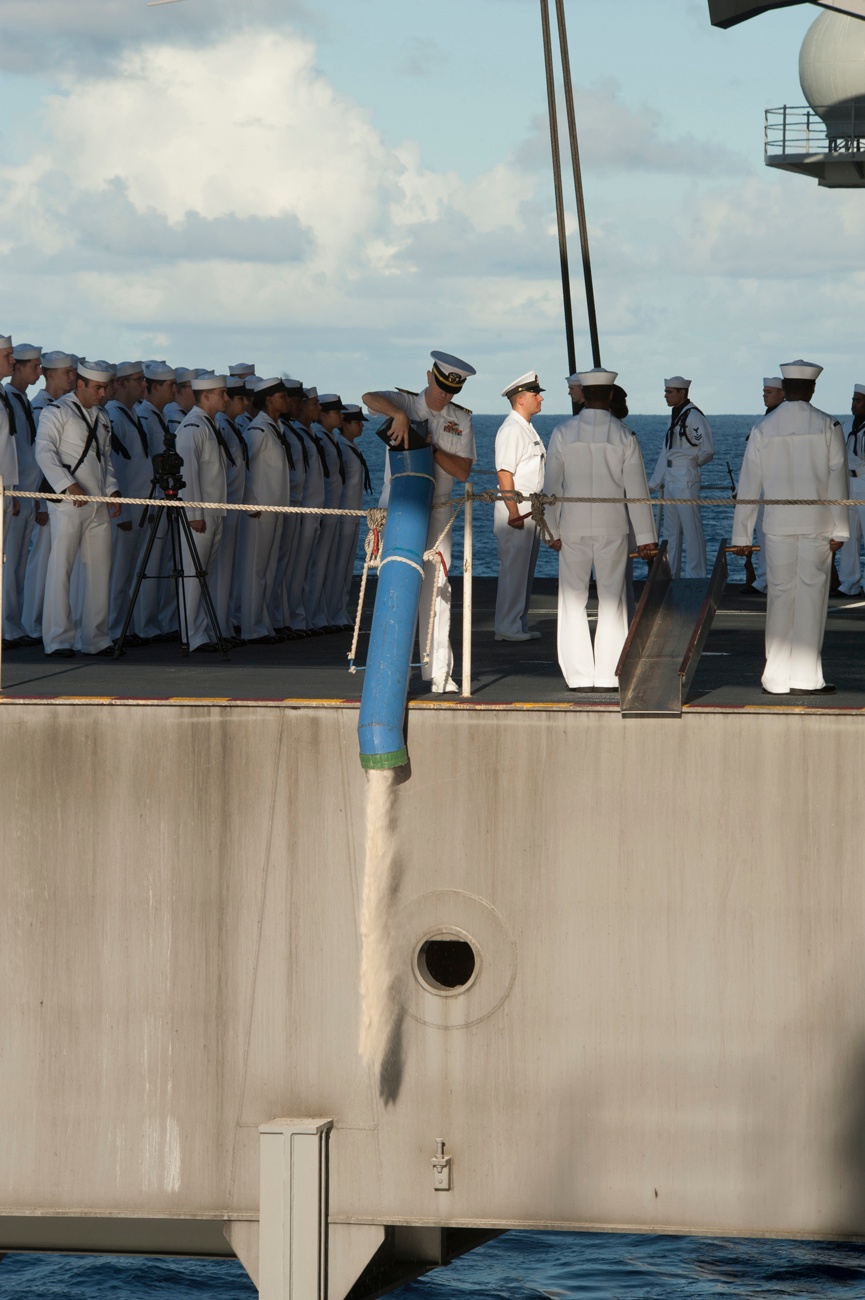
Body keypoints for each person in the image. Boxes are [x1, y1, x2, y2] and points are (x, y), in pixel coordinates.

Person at [730, 360, 848, 696]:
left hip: (778, 526)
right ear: (811, 389)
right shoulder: (829, 425)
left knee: (780, 597)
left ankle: (776, 678)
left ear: (786, 389)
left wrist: (742, 534)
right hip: (817, 525)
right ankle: (807, 678)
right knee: (811, 598)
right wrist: (840, 529)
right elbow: (837, 482)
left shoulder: (764, 428)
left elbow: (749, 484)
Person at [363, 349, 477, 694]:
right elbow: (368, 397)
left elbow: (463, 471)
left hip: (439, 510)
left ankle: (439, 672)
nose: (445, 395)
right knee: (395, 585)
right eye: (441, 386)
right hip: (398, 505)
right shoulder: (407, 403)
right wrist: (398, 413)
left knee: (438, 590)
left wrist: (432, 449)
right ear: (430, 377)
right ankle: (389, 668)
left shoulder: (462, 419)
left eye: (452, 391)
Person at [544, 367, 657, 690]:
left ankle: (579, 674)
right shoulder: (624, 435)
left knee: (572, 600)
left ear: (583, 395)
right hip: (612, 527)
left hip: (573, 526)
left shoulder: (563, 432)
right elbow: (637, 492)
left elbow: (550, 488)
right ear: (609, 395)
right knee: (612, 600)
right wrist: (646, 538)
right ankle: (609, 673)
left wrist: (550, 530)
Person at [35, 359, 121, 657]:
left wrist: (113, 490)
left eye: (105, 388)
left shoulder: (103, 416)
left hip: (98, 504)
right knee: (61, 569)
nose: (102, 393)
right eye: (97, 387)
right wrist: (66, 483)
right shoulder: (56, 411)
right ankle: (58, 639)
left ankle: (95, 638)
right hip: (68, 503)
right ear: (81, 384)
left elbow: (105, 459)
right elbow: (43, 450)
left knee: (100, 571)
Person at [22, 351, 79, 644]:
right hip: (47, 497)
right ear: (50, 374)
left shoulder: (60, 406)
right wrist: (40, 501)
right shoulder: (40, 407)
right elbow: (39, 460)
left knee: (52, 564)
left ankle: (39, 623)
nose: (72, 377)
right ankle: (33, 624)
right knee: (41, 563)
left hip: (55, 498)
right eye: (67, 372)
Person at [175, 372, 231, 652]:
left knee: (203, 574)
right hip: (201, 513)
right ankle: (192, 634)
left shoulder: (210, 425)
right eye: (222, 393)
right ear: (206, 395)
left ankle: (201, 630)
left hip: (214, 511)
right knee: (193, 574)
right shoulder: (192, 427)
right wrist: (194, 512)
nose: (226, 397)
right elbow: (189, 473)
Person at [493, 371, 546, 642]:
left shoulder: (525, 427)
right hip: (518, 511)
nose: (541, 398)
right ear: (521, 399)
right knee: (514, 569)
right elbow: (505, 474)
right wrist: (513, 513)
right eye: (536, 394)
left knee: (524, 570)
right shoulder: (512, 429)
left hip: (530, 510)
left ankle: (517, 623)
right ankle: (507, 626)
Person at [238, 377, 291, 643]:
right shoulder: (257, 430)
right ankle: (251, 628)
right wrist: (250, 501)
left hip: (275, 508)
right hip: (260, 509)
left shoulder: (274, 427)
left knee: (268, 569)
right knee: (255, 570)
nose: (288, 401)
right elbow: (243, 468)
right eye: (282, 396)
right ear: (269, 399)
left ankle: (264, 623)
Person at [648, 375, 714, 578]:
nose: (665, 396)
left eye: (670, 392)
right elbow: (666, 451)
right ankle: (670, 574)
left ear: (682, 393)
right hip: (671, 478)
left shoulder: (693, 416)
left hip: (685, 478)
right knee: (670, 532)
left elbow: (708, 449)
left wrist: (690, 464)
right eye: (666, 391)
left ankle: (697, 576)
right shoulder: (676, 415)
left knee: (691, 530)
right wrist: (653, 483)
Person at [106, 361, 150, 642]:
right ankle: (111, 629)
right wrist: (119, 513)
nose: (143, 385)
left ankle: (124, 626)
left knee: (129, 572)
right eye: (137, 380)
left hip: (140, 506)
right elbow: (116, 465)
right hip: (125, 508)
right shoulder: (115, 415)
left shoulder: (131, 414)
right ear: (121, 384)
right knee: (117, 574)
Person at [4, 344, 43, 645]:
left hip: (25, 490)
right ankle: (7, 627)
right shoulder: (9, 399)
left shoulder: (20, 400)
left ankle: (14, 625)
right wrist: (12, 490)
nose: (38, 371)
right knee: (9, 562)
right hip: (13, 490)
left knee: (18, 563)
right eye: (32, 366)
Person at [328, 403, 371, 630]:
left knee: (345, 567)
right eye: (357, 422)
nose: (361, 426)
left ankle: (340, 610)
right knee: (337, 565)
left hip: (352, 514)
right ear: (345, 424)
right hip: (343, 513)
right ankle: (332, 612)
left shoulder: (348, 446)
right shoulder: (342, 447)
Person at [742, 377, 785, 595]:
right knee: (762, 534)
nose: (764, 395)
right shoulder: (763, 421)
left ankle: (775, 578)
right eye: (764, 391)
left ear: (782, 394)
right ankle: (763, 578)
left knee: (778, 535)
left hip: (778, 486)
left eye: (769, 392)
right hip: (762, 486)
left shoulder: (782, 421)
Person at [836, 383, 865, 597]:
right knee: (848, 537)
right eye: (853, 400)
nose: (853, 404)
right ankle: (849, 582)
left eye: (858, 400)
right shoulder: (846, 427)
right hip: (848, 484)